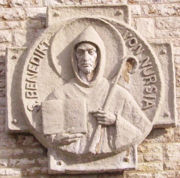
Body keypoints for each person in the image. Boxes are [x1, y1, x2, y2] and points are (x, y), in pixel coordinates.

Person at [42, 26, 152, 155]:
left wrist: (115, 121)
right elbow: (48, 132)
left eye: (91, 52)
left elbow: (142, 128)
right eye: (80, 52)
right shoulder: (60, 94)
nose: (85, 57)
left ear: (99, 56)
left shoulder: (117, 93)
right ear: (74, 57)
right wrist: (57, 138)